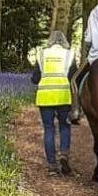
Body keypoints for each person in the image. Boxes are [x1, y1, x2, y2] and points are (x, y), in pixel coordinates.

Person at [32, 30, 78, 176]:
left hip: (45, 97)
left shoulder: (42, 54)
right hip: (63, 96)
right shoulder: (69, 54)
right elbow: (73, 77)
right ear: (64, 41)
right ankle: (64, 155)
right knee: (65, 126)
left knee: (48, 129)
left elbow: (35, 78)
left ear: (50, 41)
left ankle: (52, 165)